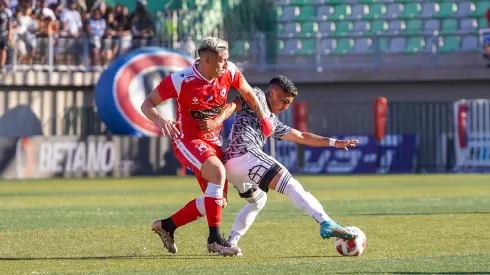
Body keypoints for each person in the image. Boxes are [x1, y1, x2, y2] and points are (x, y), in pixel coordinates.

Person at [140, 36, 274, 256]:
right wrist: (161, 121)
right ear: (208, 61)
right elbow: (147, 104)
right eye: (222, 60)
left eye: (227, 59)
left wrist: (265, 119)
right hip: (187, 140)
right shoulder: (180, 80)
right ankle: (215, 240)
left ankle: (167, 226)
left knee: (218, 202)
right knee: (218, 173)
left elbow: (249, 94)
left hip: (213, 141)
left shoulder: (229, 71)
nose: (227, 63)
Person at [200, 75, 359, 255]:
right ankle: (326, 223)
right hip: (245, 153)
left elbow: (300, 136)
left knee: (258, 201)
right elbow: (235, 104)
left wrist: (333, 142)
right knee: (291, 184)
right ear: (273, 92)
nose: (286, 106)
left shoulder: (271, 120)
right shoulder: (258, 96)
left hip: (232, 166)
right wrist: (217, 120)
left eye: (289, 103)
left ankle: (231, 241)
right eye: (285, 101)